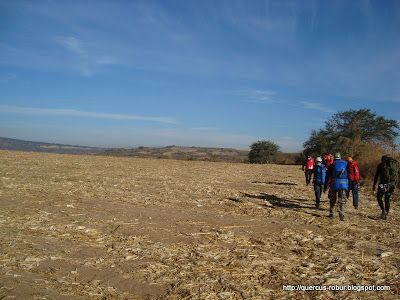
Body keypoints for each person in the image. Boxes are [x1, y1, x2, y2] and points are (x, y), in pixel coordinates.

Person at [324, 153, 349, 221]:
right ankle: (342, 214)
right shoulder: (345, 164)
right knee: (342, 200)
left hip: (334, 184)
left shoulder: (332, 165)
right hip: (343, 184)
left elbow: (327, 176)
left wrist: (325, 186)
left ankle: (332, 213)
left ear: (334, 157)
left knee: (332, 199)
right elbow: (348, 174)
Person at [373, 155, 398, 220]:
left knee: (379, 197)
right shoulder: (394, 166)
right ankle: (386, 214)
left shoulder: (381, 165)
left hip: (382, 184)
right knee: (387, 199)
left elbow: (376, 176)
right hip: (391, 184)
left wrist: (374, 185)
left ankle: (383, 210)